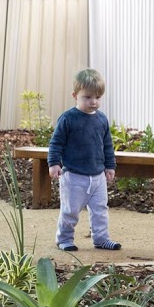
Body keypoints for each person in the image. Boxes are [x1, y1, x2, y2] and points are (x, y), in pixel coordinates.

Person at [47, 68, 122, 252]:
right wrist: (54, 163)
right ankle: (64, 239)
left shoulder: (101, 120)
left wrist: (110, 166)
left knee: (100, 210)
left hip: (97, 177)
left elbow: (107, 145)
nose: (93, 102)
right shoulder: (68, 119)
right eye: (88, 97)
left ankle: (101, 238)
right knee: (70, 211)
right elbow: (56, 143)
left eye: (97, 97)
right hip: (73, 176)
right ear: (75, 95)